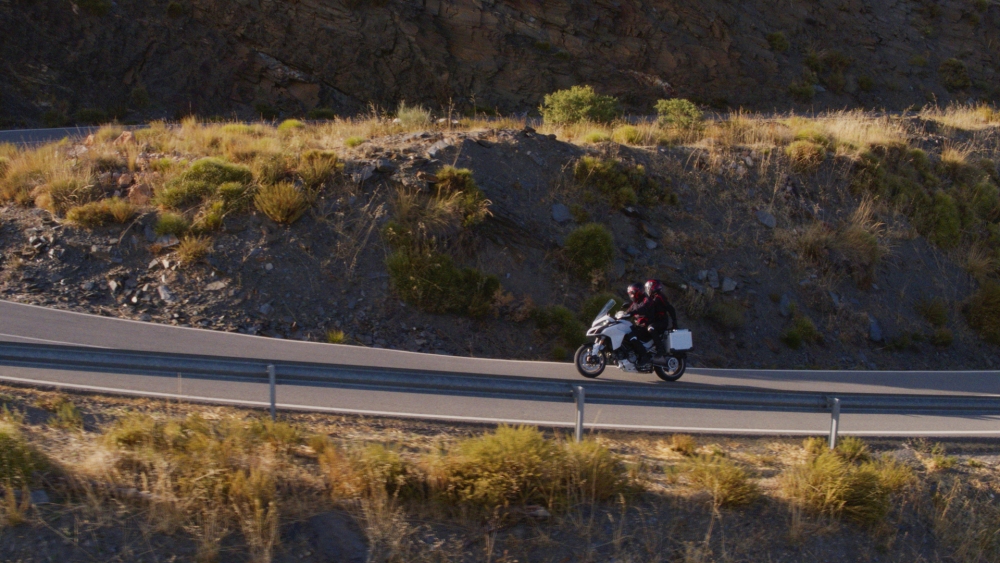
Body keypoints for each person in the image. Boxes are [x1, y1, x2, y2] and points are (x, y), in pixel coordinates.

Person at [644, 279, 678, 365]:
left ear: (653, 287)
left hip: (662, 322)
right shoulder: (651, 298)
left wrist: (674, 322)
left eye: (649, 287)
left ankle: (660, 348)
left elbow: (670, 308)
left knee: (651, 328)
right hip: (656, 321)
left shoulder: (660, 297)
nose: (648, 289)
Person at [623, 282, 656, 366]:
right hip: (639, 326)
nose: (631, 296)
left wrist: (633, 312)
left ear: (638, 292)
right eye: (630, 294)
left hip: (646, 326)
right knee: (625, 334)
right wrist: (621, 315)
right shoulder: (635, 303)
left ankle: (645, 356)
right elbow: (629, 311)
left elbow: (644, 307)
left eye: (632, 294)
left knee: (632, 336)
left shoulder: (646, 299)